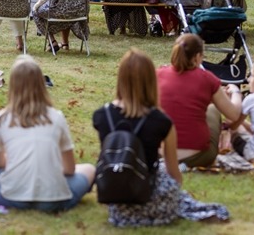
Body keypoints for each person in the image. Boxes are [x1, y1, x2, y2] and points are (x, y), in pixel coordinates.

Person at [93, 49, 229, 227]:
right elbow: (174, 174)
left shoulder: (101, 116)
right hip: (154, 200)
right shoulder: (161, 120)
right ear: (151, 80)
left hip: (118, 203)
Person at [0, 56, 95, 212]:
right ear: (41, 84)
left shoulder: (0, 119)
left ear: (13, 86)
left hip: (9, 197)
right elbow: (70, 169)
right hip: (53, 200)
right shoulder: (56, 117)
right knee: (89, 169)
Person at [157, 34, 243, 167]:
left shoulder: (159, 75)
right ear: (197, 56)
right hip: (197, 156)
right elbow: (233, 114)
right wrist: (236, 92)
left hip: (161, 153)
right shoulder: (207, 79)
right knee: (213, 109)